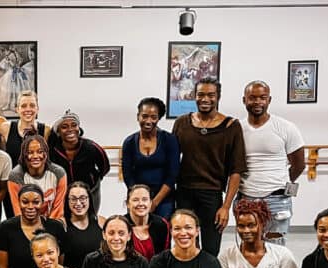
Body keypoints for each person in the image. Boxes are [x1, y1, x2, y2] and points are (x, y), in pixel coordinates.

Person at [172, 77, 246, 256]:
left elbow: (236, 171)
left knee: (211, 248)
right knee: (186, 244)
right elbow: (172, 160)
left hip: (212, 195)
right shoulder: (182, 123)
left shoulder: (231, 126)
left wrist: (226, 207)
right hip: (184, 193)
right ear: (194, 96)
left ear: (218, 97)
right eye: (201, 94)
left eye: (211, 95)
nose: (205, 99)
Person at [239, 80, 306, 246]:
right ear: (244, 100)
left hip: (277, 199)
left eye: (262, 97)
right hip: (246, 198)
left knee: (275, 248)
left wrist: (280, 182)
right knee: (250, 247)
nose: (257, 102)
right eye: (252, 97)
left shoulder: (286, 127)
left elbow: (299, 164)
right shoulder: (237, 128)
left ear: (269, 100)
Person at [121, 97, 181, 218]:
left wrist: (154, 203)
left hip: (164, 200)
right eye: (144, 116)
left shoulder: (169, 140)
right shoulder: (129, 142)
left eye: (153, 117)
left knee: (162, 233)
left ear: (158, 118)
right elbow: (127, 175)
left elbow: (172, 175)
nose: (148, 121)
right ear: (138, 116)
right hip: (137, 199)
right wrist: (140, 199)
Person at [0, 90, 51, 219]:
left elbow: (49, 162)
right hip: (13, 187)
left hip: (38, 187)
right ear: (17, 109)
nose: (28, 109)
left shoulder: (46, 130)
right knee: (16, 223)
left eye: (32, 105)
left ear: (37, 109)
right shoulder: (5, 128)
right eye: (23, 106)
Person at [48, 110, 111, 215]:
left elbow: (105, 166)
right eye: (64, 127)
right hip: (63, 195)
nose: (70, 129)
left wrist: (95, 179)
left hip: (90, 193)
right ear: (58, 132)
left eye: (74, 125)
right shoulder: (52, 151)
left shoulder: (91, 147)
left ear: (79, 128)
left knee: (89, 222)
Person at [7, 134, 67, 219]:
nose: (35, 156)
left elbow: (58, 209)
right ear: (24, 155)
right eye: (30, 152)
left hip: (53, 222)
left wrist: (50, 228)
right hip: (27, 224)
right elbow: (18, 212)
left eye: (40, 152)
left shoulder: (59, 173)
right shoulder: (16, 176)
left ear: (46, 153)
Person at [124, 185, 171, 262]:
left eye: (145, 199)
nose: (140, 203)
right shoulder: (120, 225)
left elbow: (165, 257)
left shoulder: (161, 224)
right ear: (128, 204)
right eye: (135, 200)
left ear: (150, 203)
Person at [63, 181, 104, 268]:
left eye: (82, 198)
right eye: (73, 199)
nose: (78, 203)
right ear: (67, 201)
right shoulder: (62, 225)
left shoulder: (101, 222)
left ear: (89, 199)